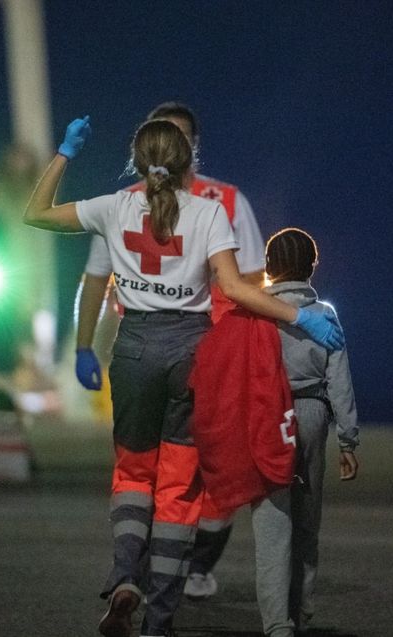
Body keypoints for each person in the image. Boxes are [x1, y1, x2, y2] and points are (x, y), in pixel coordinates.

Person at [23, 116, 344, 637]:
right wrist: (299, 316)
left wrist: (65, 152)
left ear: (137, 161)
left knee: (131, 475)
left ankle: (127, 574)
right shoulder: (209, 213)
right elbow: (236, 290)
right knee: (178, 487)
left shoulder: (113, 206)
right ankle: (160, 618)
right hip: (189, 353)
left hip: (133, 349)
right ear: (188, 161)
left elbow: (34, 213)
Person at [72, 102, 263, 600]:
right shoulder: (142, 204)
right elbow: (96, 279)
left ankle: (161, 570)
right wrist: (82, 345)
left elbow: (255, 276)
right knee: (174, 472)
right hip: (189, 353)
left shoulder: (221, 201)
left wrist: (252, 349)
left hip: (182, 352)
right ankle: (158, 587)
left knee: (179, 468)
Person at [252, 227, 359, 637]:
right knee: (307, 521)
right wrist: (348, 440)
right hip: (313, 414)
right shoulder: (326, 315)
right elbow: (341, 382)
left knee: (271, 523)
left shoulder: (258, 310)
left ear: (269, 267)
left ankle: (276, 623)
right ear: (312, 266)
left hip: (267, 416)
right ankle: (301, 611)